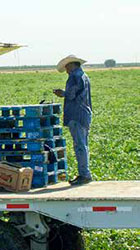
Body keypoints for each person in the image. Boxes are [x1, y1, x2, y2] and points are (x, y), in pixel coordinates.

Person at [53, 54, 93, 186]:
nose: (66, 70)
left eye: (66, 67)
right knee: (83, 144)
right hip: (84, 114)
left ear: (71, 65)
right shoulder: (84, 76)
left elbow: (71, 94)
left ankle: (84, 174)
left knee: (80, 145)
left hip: (76, 115)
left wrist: (62, 93)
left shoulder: (74, 76)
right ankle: (84, 173)